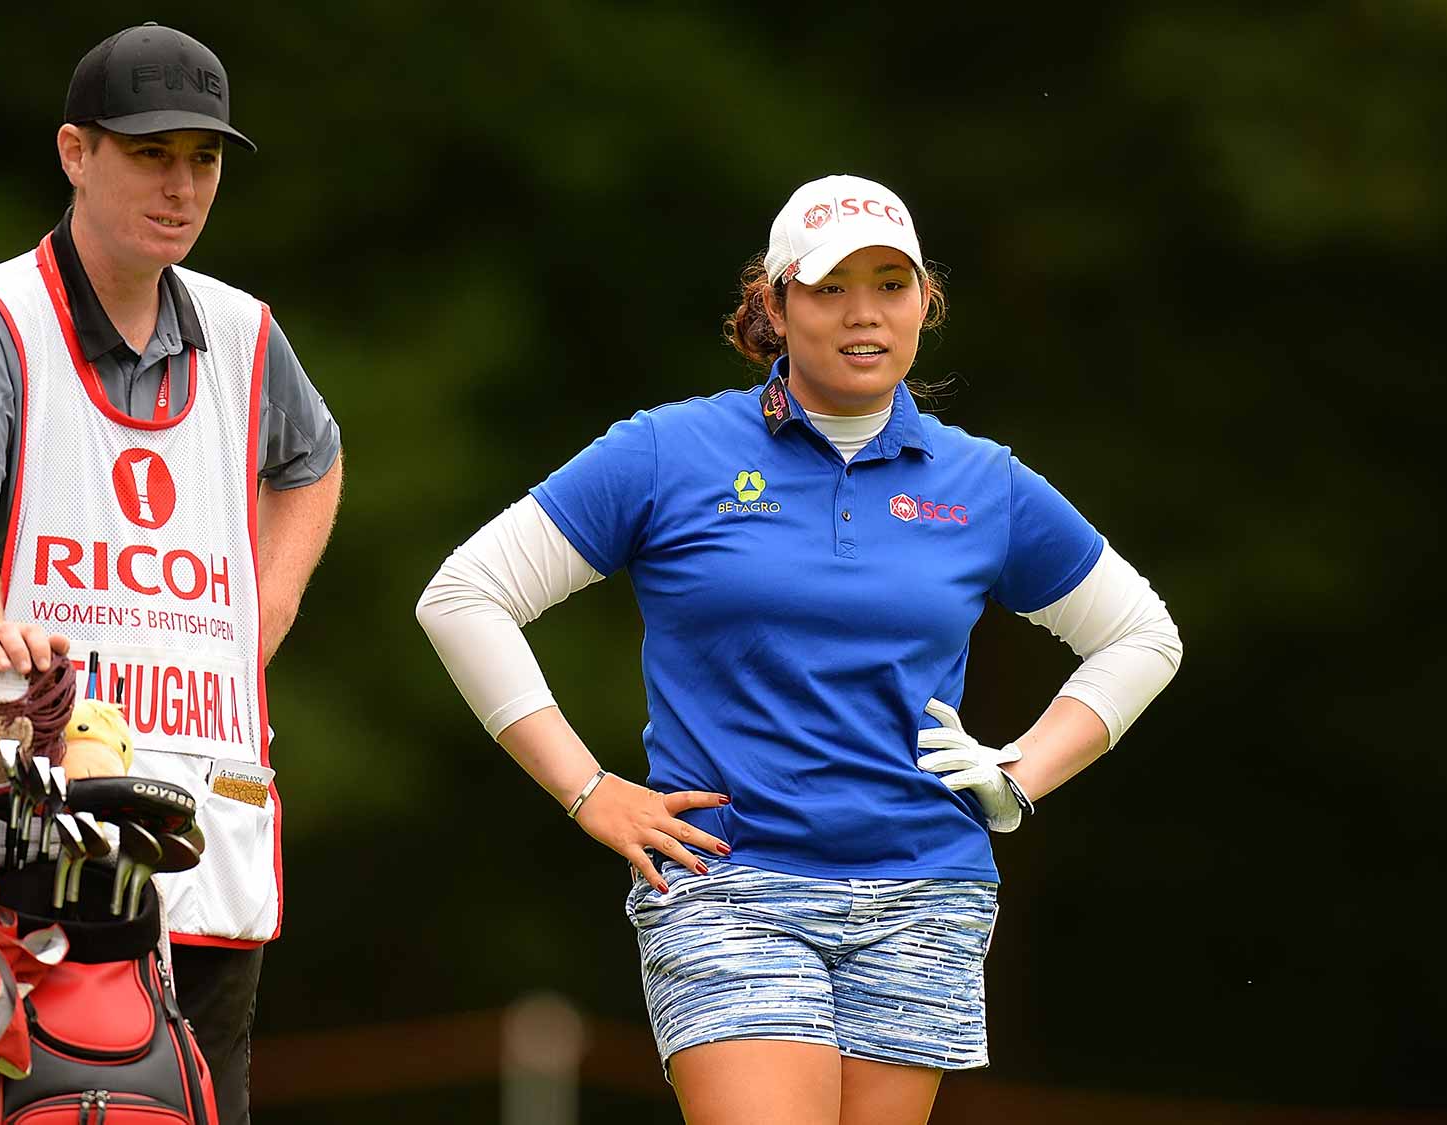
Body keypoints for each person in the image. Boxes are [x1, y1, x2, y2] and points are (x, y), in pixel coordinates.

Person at [416, 174, 1181, 1124]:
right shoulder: (670, 452)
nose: (863, 314)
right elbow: (464, 596)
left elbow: (1142, 634)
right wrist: (588, 789)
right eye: (828, 289)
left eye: (890, 284)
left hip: (924, 892)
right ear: (774, 305)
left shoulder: (985, 482)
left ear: (925, 303)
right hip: (731, 882)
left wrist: (1019, 771)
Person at [0, 23, 342, 1124]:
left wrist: (261, 615)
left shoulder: (243, 330)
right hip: (26, 840)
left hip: (206, 832)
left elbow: (313, 463)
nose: (182, 185)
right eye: (151, 153)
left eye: (203, 159)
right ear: (74, 152)